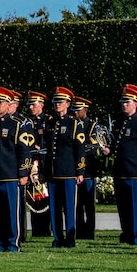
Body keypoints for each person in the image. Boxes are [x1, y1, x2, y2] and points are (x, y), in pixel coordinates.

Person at [0, 86, 33, 252]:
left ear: (8, 104)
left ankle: (13, 243)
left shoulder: (16, 125)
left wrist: (24, 172)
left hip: (10, 176)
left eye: (0, 102)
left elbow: (24, 151)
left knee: (12, 212)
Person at [103, 83, 137, 245]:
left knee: (134, 208)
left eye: (127, 102)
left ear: (136, 103)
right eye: (122, 102)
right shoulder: (119, 122)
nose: (124, 105)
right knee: (123, 208)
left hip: (134, 173)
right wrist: (106, 150)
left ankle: (135, 237)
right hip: (120, 172)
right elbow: (115, 146)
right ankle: (125, 234)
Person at [42, 86, 85, 248]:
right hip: (53, 172)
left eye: (60, 101)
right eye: (55, 101)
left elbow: (79, 149)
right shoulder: (50, 123)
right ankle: (58, 238)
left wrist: (80, 170)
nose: (57, 104)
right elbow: (47, 148)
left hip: (68, 172)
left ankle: (70, 238)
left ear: (68, 104)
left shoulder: (74, 123)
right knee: (54, 208)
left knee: (69, 207)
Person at [71, 95, 99, 240]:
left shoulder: (91, 125)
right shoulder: (73, 124)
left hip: (88, 170)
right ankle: (79, 230)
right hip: (75, 170)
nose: (75, 113)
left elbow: (92, 146)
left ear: (85, 110)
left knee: (88, 204)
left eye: (78, 110)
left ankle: (89, 232)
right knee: (77, 204)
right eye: (74, 110)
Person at [26, 90, 53, 238]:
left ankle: (45, 229)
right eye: (29, 104)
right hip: (31, 165)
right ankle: (36, 230)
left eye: (34, 104)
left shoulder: (48, 121)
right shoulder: (27, 122)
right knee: (33, 198)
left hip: (43, 164)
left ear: (41, 104)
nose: (31, 107)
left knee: (44, 198)